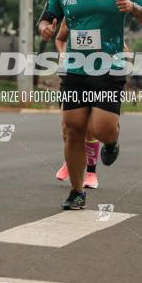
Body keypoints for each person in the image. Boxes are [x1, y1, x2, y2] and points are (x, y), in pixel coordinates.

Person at [38, 0, 142, 210]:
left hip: (109, 65)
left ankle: (112, 141)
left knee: (100, 129)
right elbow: (46, 20)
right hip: (76, 68)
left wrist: (133, 7)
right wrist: (44, 27)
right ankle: (77, 190)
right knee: (73, 129)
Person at [54, 18, 101, 188]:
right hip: (71, 77)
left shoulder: (103, 17)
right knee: (67, 127)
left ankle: (91, 172)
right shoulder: (70, 16)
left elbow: (122, 48)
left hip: (95, 78)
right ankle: (71, 161)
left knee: (89, 130)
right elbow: (59, 39)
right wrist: (62, 53)